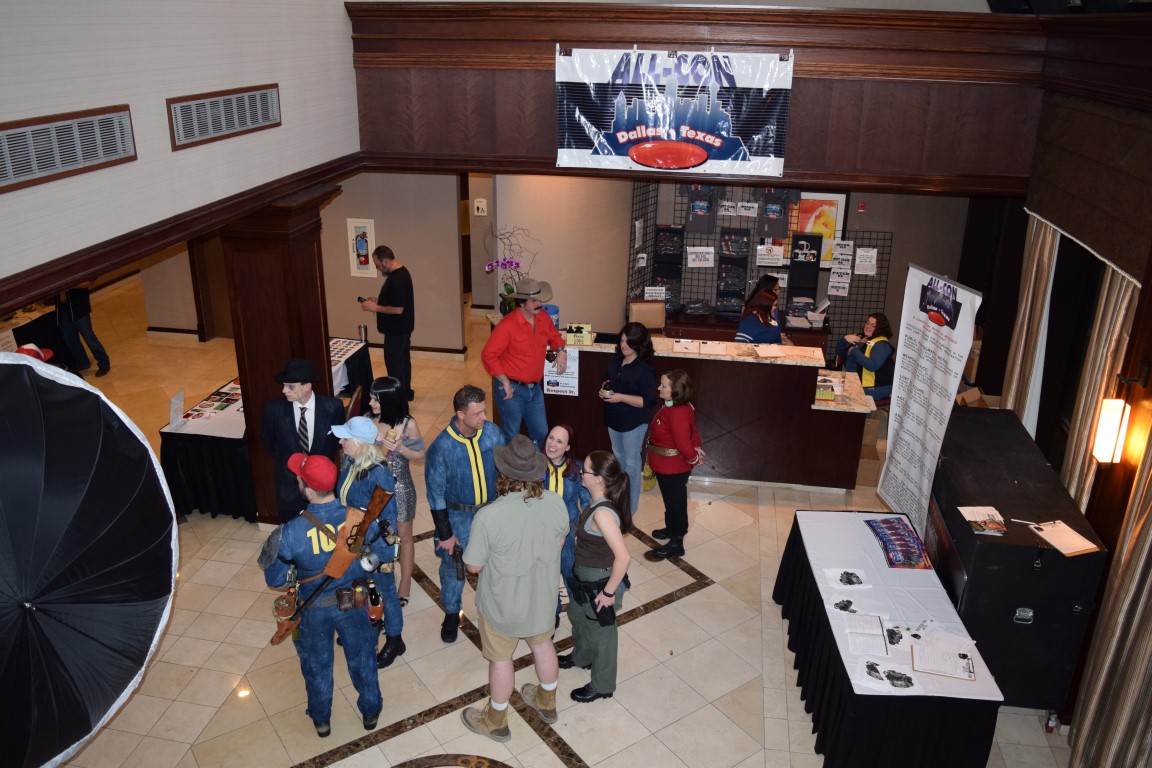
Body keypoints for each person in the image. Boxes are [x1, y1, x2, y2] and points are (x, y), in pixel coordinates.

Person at [259, 453, 382, 738]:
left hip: (314, 607)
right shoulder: (359, 517)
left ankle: (321, 719)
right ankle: (371, 711)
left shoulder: (290, 531)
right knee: (363, 657)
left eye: (300, 478)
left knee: (317, 664)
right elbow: (383, 554)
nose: (297, 480)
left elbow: (275, 579)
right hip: (356, 598)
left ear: (309, 490)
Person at [460, 435, 569, 741]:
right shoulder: (556, 502)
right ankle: (546, 701)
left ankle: (496, 720)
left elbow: (473, 567)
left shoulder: (488, 516)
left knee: (501, 659)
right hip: (542, 599)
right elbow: (560, 541)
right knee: (543, 646)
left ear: (502, 473)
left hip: (502, 606)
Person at [424, 384, 506, 643]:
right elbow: (435, 495)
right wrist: (445, 534)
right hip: (458, 518)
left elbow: (504, 471)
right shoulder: (441, 448)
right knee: (453, 569)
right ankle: (451, 613)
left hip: (491, 513)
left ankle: (495, 611)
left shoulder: (492, 433)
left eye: (484, 411)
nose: (484, 417)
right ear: (460, 414)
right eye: (477, 413)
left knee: (495, 565)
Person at [332, 416, 406, 669]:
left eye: (345, 438)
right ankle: (363, 628)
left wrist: (372, 549)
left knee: (384, 591)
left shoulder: (380, 474)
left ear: (361, 443)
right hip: (353, 539)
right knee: (357, 588)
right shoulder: (350, 462)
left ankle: (395, 639)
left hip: (374, 546)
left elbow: (387, 520)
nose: (341, 442)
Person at [560, 450, 632, 704]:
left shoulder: (602, 514)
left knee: (603, 634)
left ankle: (602, 685)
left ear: (599, 479)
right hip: (585, 577)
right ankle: (582, 657)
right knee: (579, 616)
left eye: (586, 470)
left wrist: (608, 592)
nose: (581, 472)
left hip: (600, 582)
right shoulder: (594, 502)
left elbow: (623, 557)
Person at [481, 277, 567, 448]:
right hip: (511, 390)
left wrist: (561, 351)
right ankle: (510, 466)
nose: (539, 303)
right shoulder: (507, 325)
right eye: (533, 301)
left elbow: (554, 336)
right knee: (512, 435)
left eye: (539, 299)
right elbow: (488, 355)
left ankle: (535, 464)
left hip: (535, 389)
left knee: (541, 433)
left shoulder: (543, 317)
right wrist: (504, 381)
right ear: (522, 303)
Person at [260, 359, 344, 523]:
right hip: (289, 487)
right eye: (284, 385)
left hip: (322, 490)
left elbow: (335, 442)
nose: (284, 390)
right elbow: (269, 442)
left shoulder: (333, 407)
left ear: (307, 386)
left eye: (290, 386)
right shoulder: (273, 410)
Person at [367, 376, 425, 607]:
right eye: (371, 398)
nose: (371, 403)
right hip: (374, 489)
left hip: (400, 487)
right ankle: (381, 580)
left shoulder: (408, 424)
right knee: (375, 536)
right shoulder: (367, 420)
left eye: (376, 399)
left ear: (390, 400)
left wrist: (400, 448)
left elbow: (420, 455)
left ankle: (406, 583)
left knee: (404, 536)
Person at [598, 322, 657, 514]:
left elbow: (647, 401)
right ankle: (618, 500)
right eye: (622, 341)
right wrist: (603, 391)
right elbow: (609, 384)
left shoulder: (644, 369)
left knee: (631, 464)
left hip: (634, 422)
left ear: (638, 344)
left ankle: (630, 509)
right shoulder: (614, 362)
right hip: (614, 419)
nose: (623, 345)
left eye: (628, 342)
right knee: (618, 461)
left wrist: (621, 397)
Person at [646, 369, 704, 559]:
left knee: (675, 504)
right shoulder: (674, 406)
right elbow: (692, 430)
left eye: (663, 386)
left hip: (673, 468)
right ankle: (671, 529)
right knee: (671, 502)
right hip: (665, 464)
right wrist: (697, 446)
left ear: (676, 390)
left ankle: (677, 542)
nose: (659, 388)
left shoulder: (678, 412)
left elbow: (683, 443)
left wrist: (694, 457)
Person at [360, 246, 416, 401]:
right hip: (401, 329)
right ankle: (405, 394)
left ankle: (398, 400)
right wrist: (378, 301)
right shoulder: (400, 273)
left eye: (377, 265)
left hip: (396, 331)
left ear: (384, 261)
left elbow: (398, 309)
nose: (378, 268)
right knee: (403, 363)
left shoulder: (397, 279)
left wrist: (375, 307)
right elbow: (396, 300)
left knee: (395, 366)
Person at [542, 424, 589, 602]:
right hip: (541, 532)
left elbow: (587, 503)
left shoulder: (578, 469)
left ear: (568, 447)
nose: (552, 444)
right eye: (551, 438)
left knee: (570, 571)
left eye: (560, 441)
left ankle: (577, 607)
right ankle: (550, 610)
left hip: (569, 532)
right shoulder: (535, 465)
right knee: (545, 575)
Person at [56, 285, 111, 377]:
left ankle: (104, 363)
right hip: (62, 308)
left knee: (89, 337)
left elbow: (89, 282)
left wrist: (67, 285)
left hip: (79, 306)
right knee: (70, 339)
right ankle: (82, 363)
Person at [843, 312, 897, 400]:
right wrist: (844, 339)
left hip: (878, 386)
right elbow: (840, 351)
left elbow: (872, 366)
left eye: (873, 325)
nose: (868, 327)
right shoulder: (863, 338)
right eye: (868, 323)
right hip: (860, 382)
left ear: (880, 328)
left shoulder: (881, 345)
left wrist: (854, 350)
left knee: (845, 395)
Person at [735, 275, 783, 345]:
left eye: (779, 288)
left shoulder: (772, 310)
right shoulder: (751, 318)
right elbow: (741, 342)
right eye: (775, 289)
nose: (778, 291)